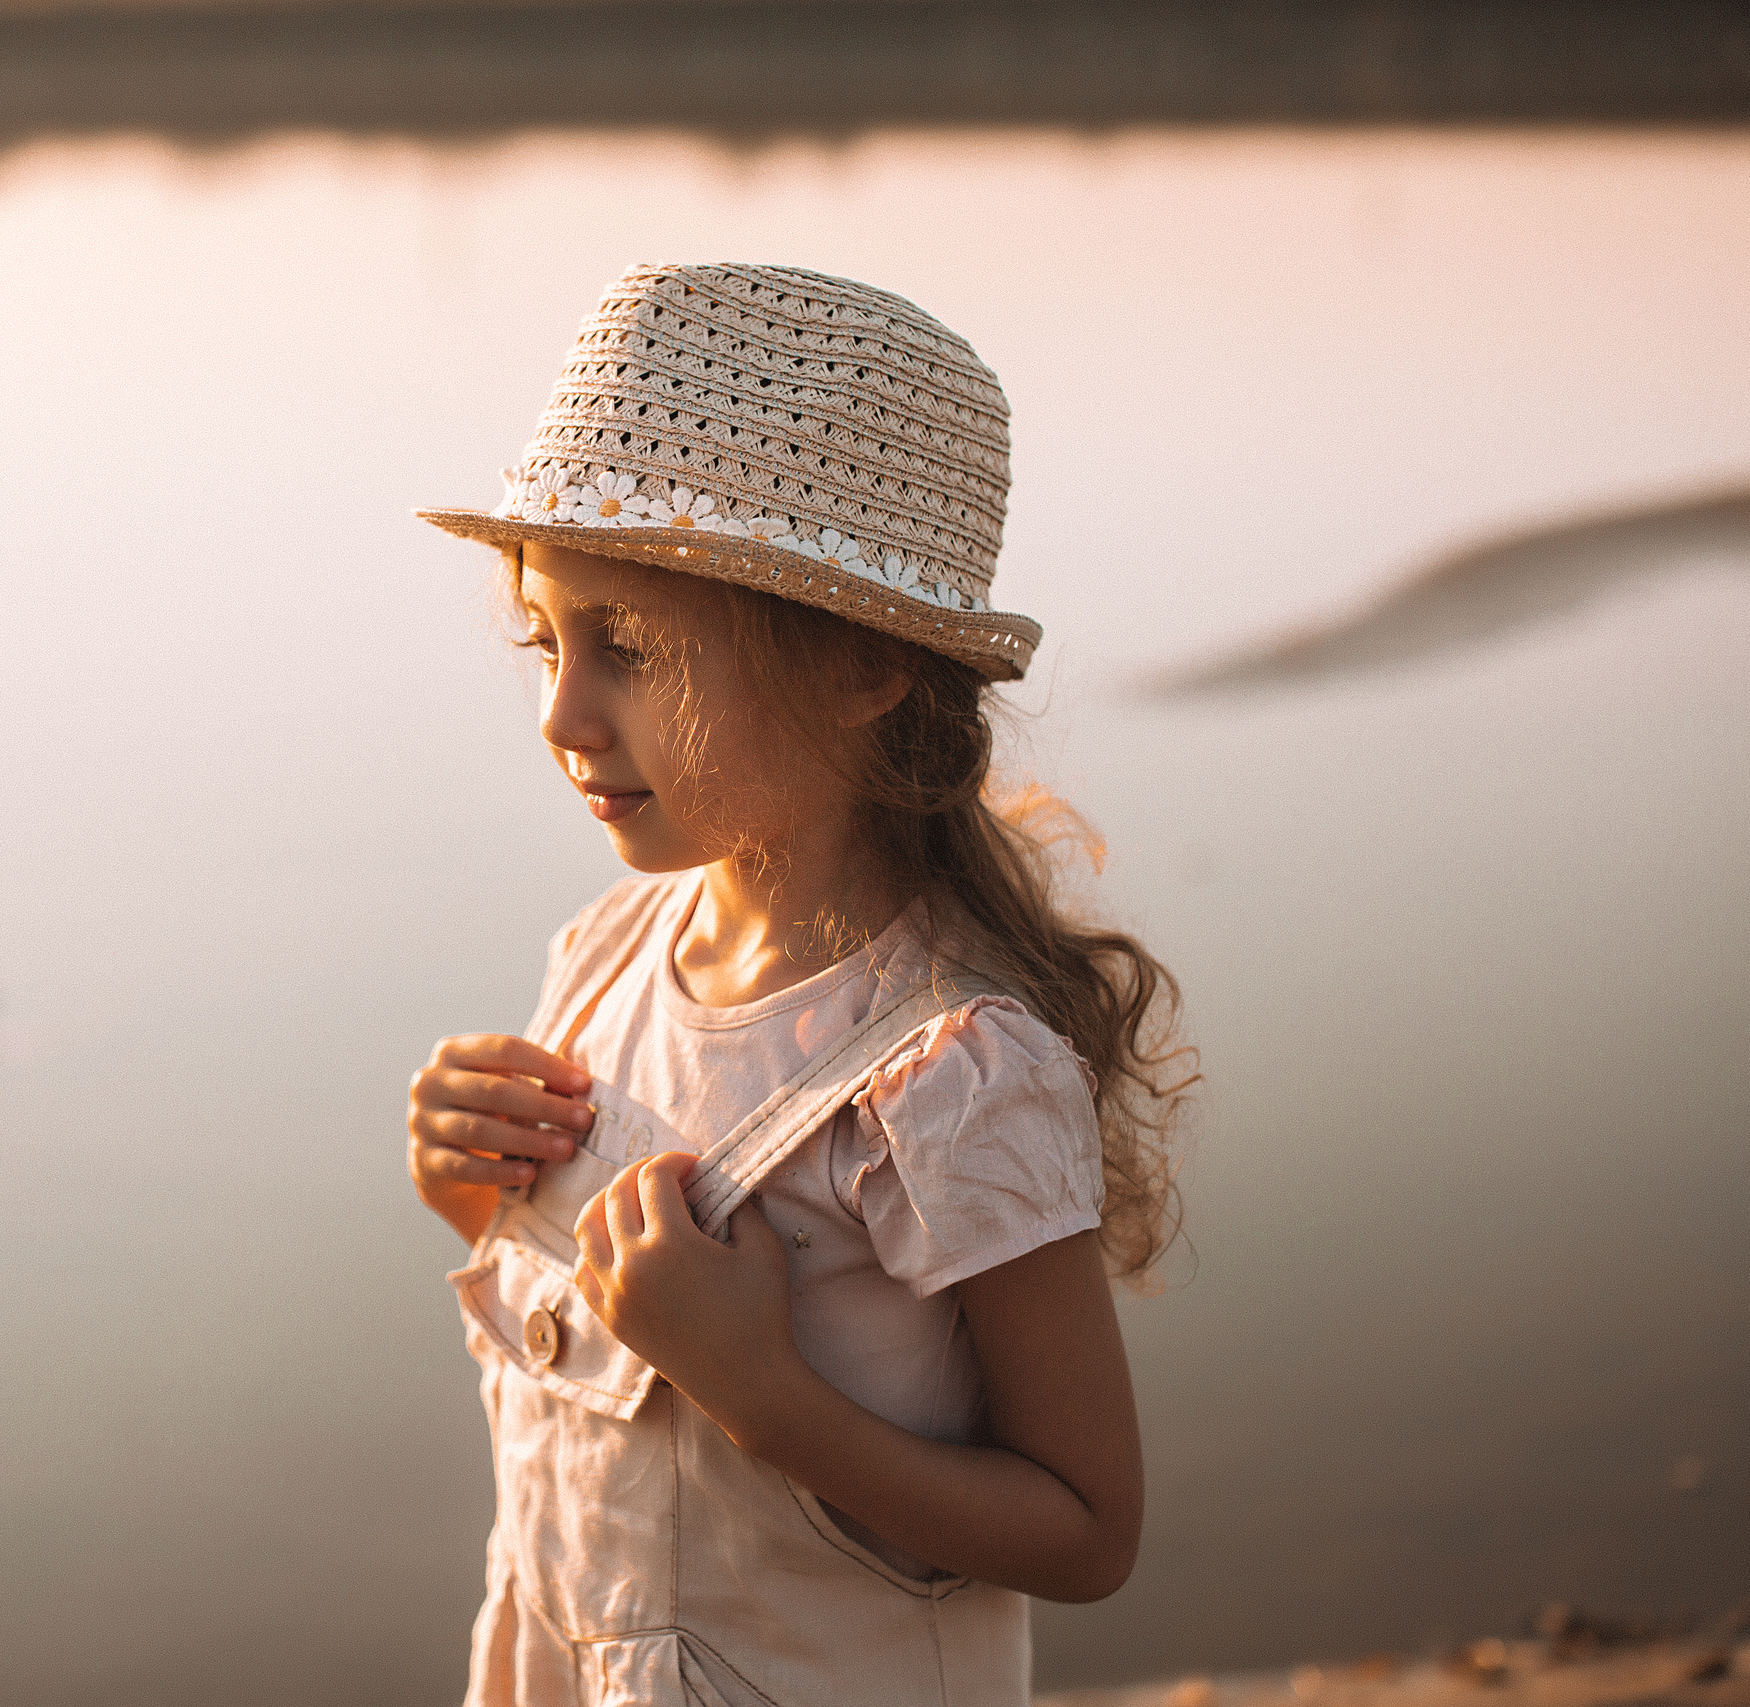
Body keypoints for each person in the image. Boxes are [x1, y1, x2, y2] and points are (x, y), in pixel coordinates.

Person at [407, 262, 1192, 1707]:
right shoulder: (603, 960)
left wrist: (764, 1393)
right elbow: (576, 1325)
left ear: (860, 670)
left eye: (628, 647)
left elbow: (1089, 1531)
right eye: (548, 636)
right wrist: (471, 1172)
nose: (563, 714)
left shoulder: (955, 1070)